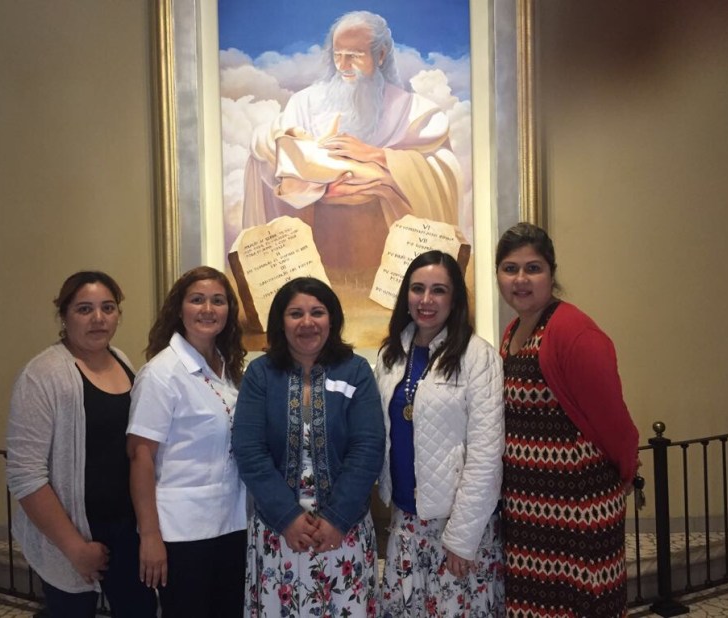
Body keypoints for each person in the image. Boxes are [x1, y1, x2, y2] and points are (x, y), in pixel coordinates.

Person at [242, 10, 461, 279]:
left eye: (355, 56)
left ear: (380, 55)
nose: (343, 65)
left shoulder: (413, 110)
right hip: (316, 251)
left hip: (387, 258)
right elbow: (265, 143)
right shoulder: (305, 103)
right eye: (338, 55)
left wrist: (378, 156)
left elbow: (442, 170)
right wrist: (309, 168)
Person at [495, 223, 640, 617]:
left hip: (578, 508)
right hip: (529, 511)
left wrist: (626, 471)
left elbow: (614, 421)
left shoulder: (573, 332)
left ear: (552, 273)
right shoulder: (511, 332)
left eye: (533, 268)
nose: (520, 279)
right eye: (510, 269)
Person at [6, 271, 157, 618]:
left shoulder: (122, 360)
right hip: (72, 533)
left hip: (126, 528)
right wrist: (75, 547)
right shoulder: (42, 376)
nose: (98, 318)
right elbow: (25, 475)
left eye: (108, 308)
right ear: (64, 316)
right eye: (84, 309)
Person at [232, 277, 385, 617]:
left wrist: (337, 518)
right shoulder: (260, 374)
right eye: (295, 313)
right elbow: (250, 451)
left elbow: (367, 448)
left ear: (332, 319)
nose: (307, 322)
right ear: (280, 322)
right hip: (279, 531)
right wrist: (287, 518)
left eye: (317, 312)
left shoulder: (356, 371)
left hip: (343, 530)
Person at [375, 250, 505, 616]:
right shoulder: (391, 355)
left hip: (458, 527)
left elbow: (485, 454)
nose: (426, 300)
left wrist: (462, 538)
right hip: (406, 521)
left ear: (455, 299)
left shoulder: (478, 357)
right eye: (418, 289)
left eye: (439, 290)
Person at [126, 267, 247, 618]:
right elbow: (140, 457)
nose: (208, 309)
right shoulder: (161, 374)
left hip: (233, 522)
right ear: (179, 310)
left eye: (218, 301)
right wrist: (150, 535)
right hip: (181, 532)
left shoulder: (228, 368)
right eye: (197, 300)